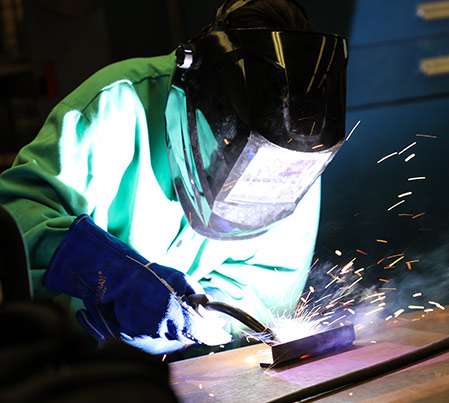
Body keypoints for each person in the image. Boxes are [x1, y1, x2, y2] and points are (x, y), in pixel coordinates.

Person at [0, 0, 347, 356]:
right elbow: (14, 220)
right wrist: (111, 276)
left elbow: (260, 300)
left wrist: (203, 321)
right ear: (198, 99)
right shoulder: (118, 104)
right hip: (58, 362)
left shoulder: (293, 161)